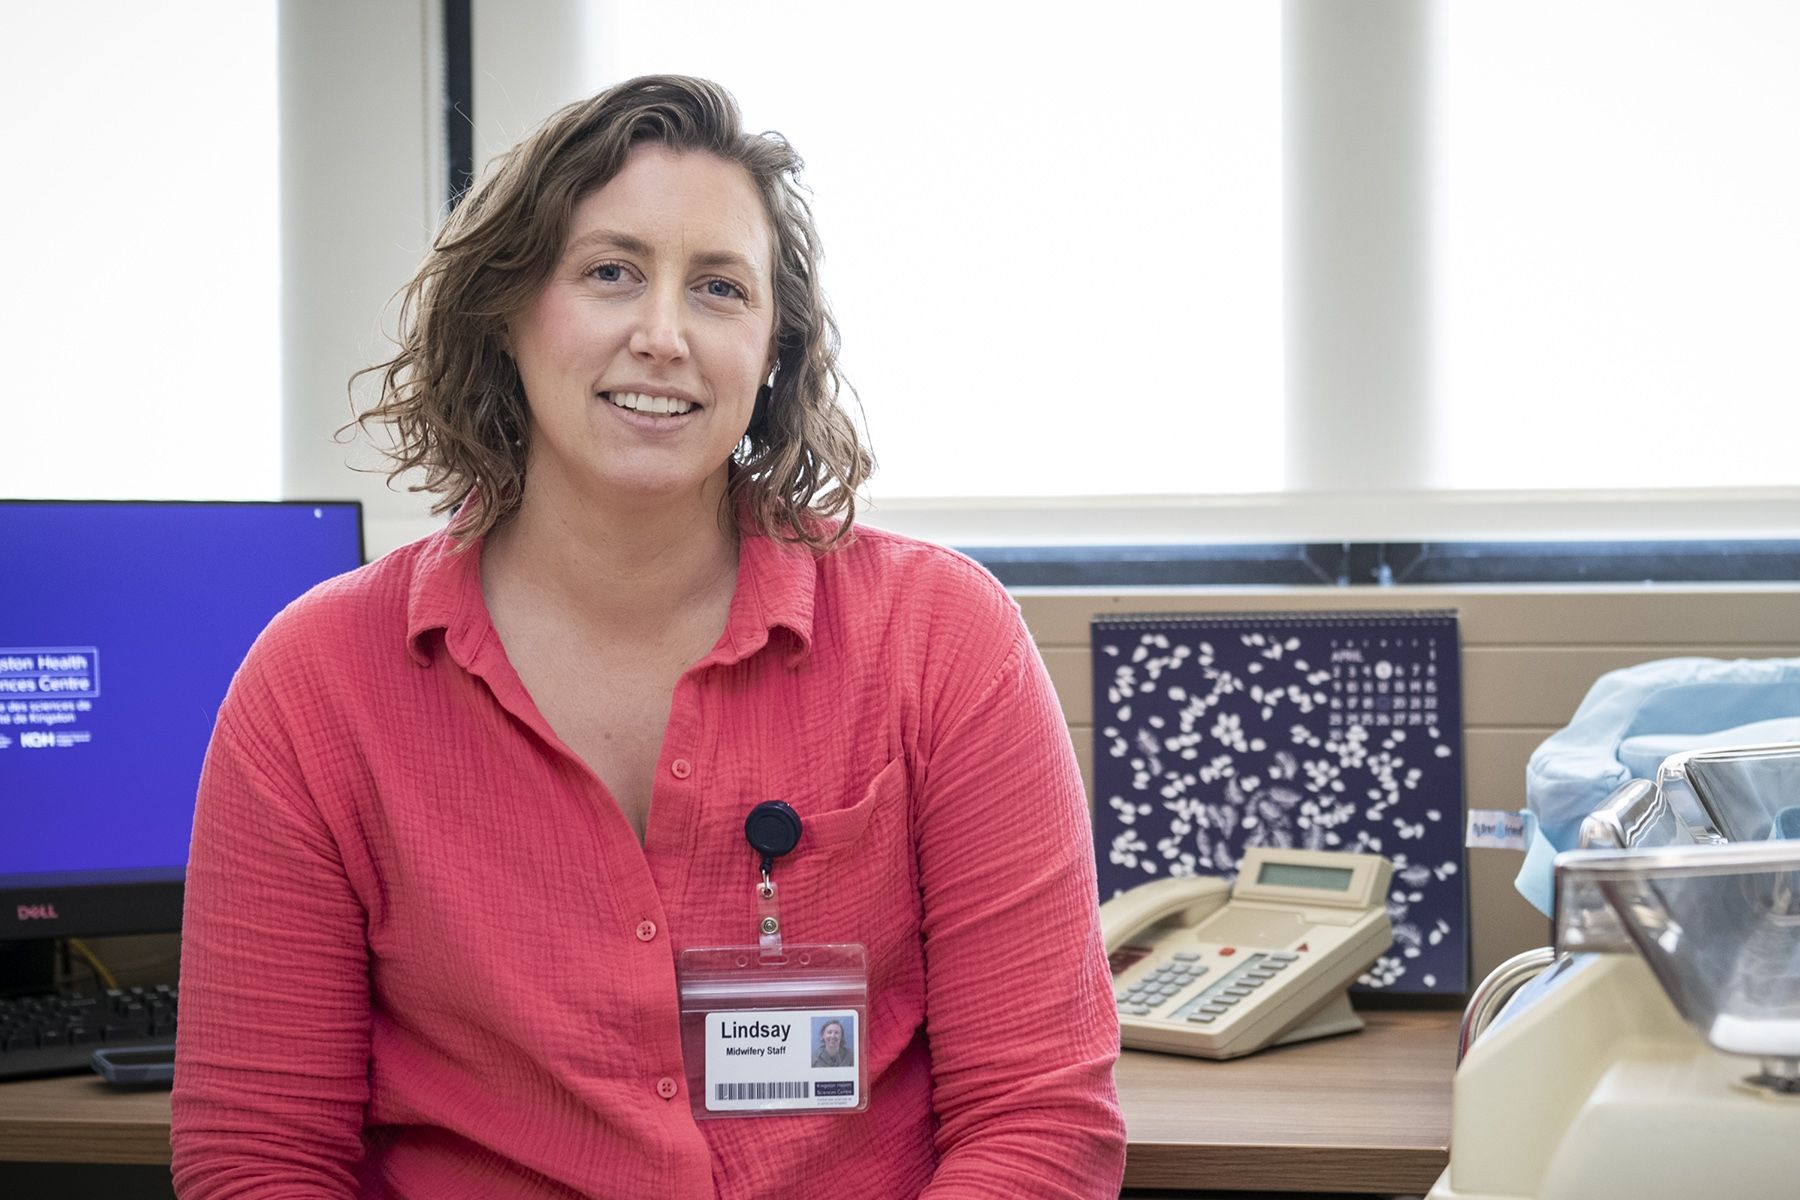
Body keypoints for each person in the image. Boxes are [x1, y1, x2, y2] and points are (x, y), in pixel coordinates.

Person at [170, 74, 1124, 1199]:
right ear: (507, 312)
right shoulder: (316, 683)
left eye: (719, 289)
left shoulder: (944, 639)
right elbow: (259, 1158)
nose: (663, 335)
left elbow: (1040, 1118)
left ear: (773, 354)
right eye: (611, 271)